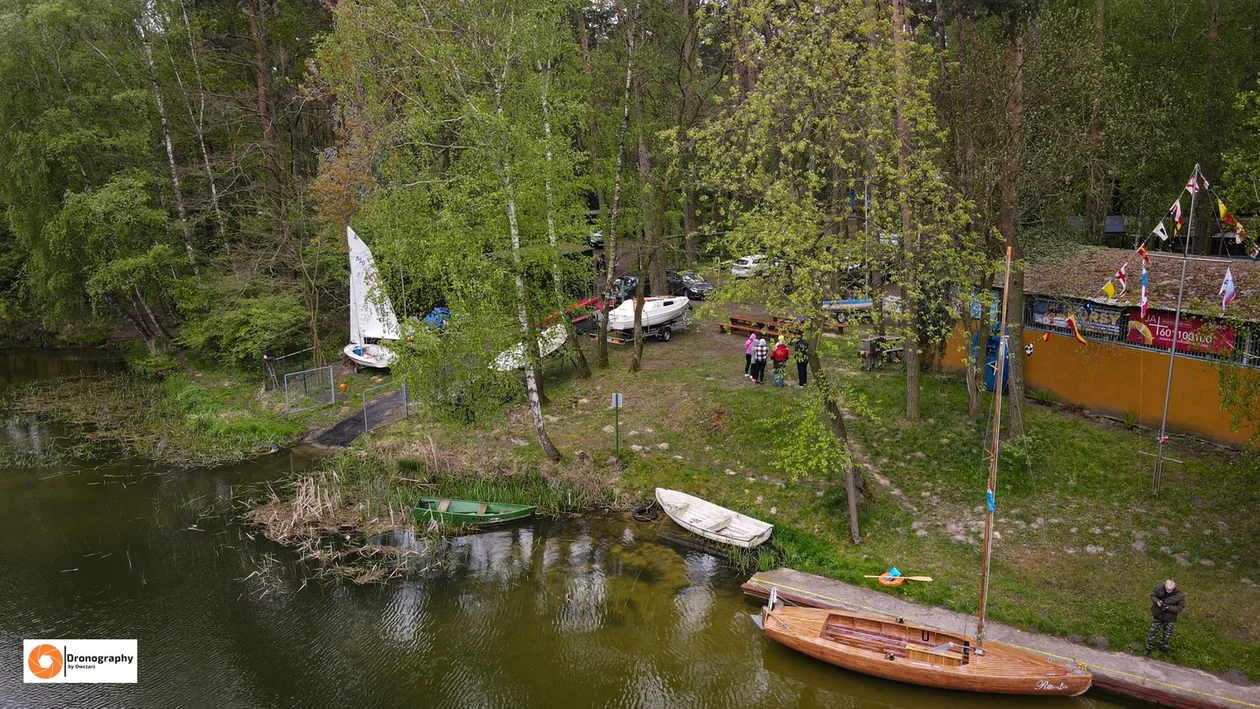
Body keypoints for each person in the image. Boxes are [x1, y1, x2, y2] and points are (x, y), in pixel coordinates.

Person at [1145, 579, 1185, 655]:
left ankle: (1164, 647)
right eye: (1167, 589)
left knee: (1167, 634)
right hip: (1158, 614)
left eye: (1170, 590)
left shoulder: (1179, 596)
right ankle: (1148, 647)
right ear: (1164, 585)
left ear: (1174, 587)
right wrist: (1157, 602)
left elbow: (1180, 607)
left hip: (1170, 618)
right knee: (1152, 632)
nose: (1168, 591)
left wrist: (1168, 607)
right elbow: (1153, 595)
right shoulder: (1158, 588)